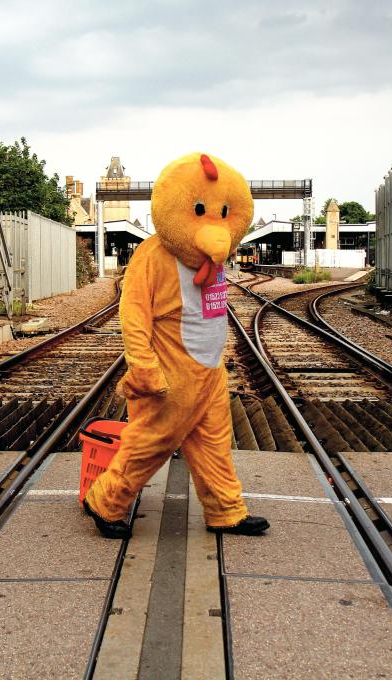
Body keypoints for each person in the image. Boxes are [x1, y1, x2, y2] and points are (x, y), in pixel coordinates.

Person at [83, 152, 270, 539]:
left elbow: (209, 311)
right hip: (170, 375)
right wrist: (143, 366)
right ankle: (107, 502)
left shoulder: (213, 259)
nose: (213, 224)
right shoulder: (153, 257)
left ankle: (226, 511)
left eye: (221, 213)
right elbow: (133, 314)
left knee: (214, 445)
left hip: (208, 373)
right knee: (151, 443)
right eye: (201, 210)